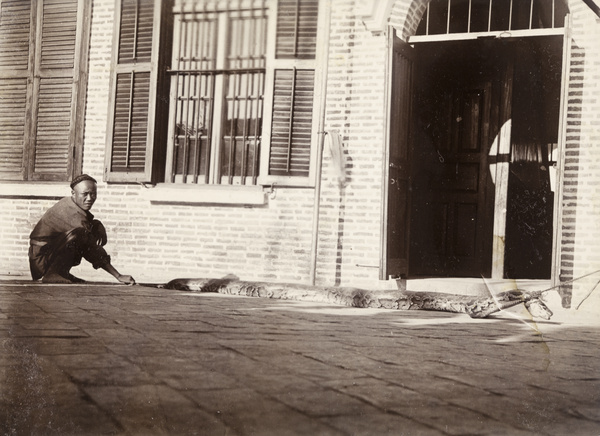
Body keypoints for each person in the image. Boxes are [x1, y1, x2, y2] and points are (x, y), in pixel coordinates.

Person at [29, 174, 136, 285]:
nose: (89, 199)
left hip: (46, 257)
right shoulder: (69, 211)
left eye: (93, 194)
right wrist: (118, 275)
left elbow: (89, 224)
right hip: (41, 262)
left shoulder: (71, 204)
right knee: (80, 235)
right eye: (85, 194)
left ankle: (61, 272)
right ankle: (53, 274)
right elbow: (92, 248)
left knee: (81, 234)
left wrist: (97, 225)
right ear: (73, 194)